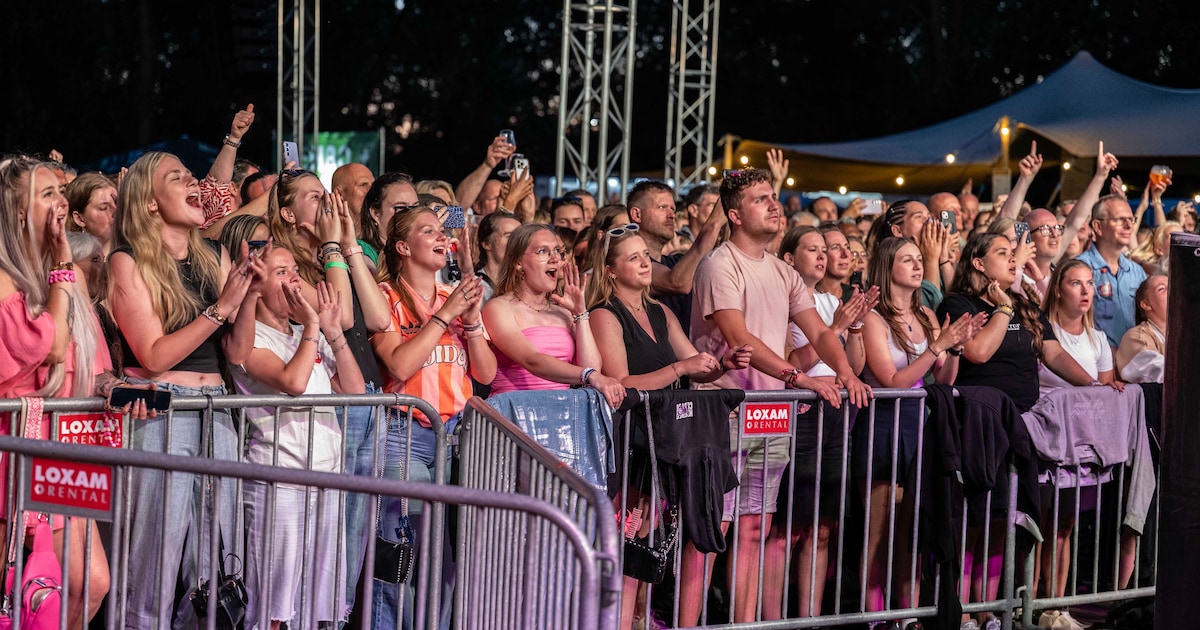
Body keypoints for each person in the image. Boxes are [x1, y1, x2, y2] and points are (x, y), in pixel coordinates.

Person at [689, 168, 871, 624]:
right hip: (725, 409)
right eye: (759, 199)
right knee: (714, 526)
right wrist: (800, 378)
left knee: (756, 524)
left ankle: (744, 622)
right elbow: (738, 337)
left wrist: (847, 373)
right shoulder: (719, 263)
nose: (774, 204)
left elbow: (820, 332)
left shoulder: (783, 271)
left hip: (771, 411)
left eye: (774, 196)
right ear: (734, 214)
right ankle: (686, 623)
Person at [108, 151, 257, 627]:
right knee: (156, 551)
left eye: (191, 174)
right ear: (150, 202)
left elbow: (236, 353)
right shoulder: (126, 262)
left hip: (217, 411)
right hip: (163, 412)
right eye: (178, 177)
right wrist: (219, 308)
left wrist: (247, 297)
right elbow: (153, 356)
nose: (194, 181)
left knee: (219, 558)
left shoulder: (214, 254)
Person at [585, 225, 751, 629]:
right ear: (610, 270)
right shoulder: (604, 314)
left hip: (664, 441)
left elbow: (697, 364)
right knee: (627, 551)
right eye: (634, 257)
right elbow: (621, 384)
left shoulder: (660, 310)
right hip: (630, 443)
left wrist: (721, 367)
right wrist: (680, 368)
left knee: (647, 548)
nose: (646, 262)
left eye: (647, 255)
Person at [0, 155, 113, 626]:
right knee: (14, 588)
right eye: (48, 193)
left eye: (60, 192)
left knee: (90, 583)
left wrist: (112, 388)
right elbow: (51, 343)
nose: (61, 202)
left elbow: (94, 359)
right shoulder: (6, 277)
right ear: (19, 211)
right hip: (14, 447)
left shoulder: (67, 276)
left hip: (64, 445)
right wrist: (65, 264)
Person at [225, 247, 364, 629]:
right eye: (282, 271)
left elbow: (353, 391)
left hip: (325, 475)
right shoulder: (249, 337)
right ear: (258, 283)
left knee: (312, 600)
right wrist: (313, 328)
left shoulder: (309, 334)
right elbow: (294, 382)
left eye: (295, 270)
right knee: (273, 600)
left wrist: (332, 332)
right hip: (280, 478)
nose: (295, 279)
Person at [370, 204, 496, 626]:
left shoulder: (453, 298)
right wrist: (445, 317)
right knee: (401, 550)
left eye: (444, 231)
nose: (443, 238)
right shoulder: (385, 296)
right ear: (403, 246)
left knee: (444, 557)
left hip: (456, 440)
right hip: (405, 436)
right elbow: (400, 366)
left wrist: (473, 322)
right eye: (430, 232)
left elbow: (486, 373)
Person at [855, 237, 981, 622]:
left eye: (917, 259)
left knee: (911, 533)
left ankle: (906, 615)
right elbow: (892, 379)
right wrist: (936, 346)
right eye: (907, 259)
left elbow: (941, 378)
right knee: (879, 534)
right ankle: (875, 616)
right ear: (888, 266)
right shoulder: (874, 318)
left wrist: (955, 347)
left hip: (919, 424)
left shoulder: (926, 314)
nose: (917, 265)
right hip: (883, 424)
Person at [762, 225, 874, 620]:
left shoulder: (829, 301)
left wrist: (855, 325)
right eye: (814, 249)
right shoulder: (782, 303)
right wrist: (839, 328)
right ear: (789, 259)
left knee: (823, 528)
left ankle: (810, 620)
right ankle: (772, 620)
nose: (824, 256)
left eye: (825, 249)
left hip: (837, 415)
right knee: (786, 529)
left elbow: (856, 368)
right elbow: (790, 364)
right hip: (801, 415)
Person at [1033, 259, 1124, 630]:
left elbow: (1103, 392)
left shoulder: (1098, 339)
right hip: (1047, 439)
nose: (1086, 291)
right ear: (1058, 289)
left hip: (1081, 446)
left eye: (1089, 283)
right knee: (1038, 525)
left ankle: (1058, 606)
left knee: (1065, 527)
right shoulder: (1044, 332)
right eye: (1076, 283)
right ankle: (1034, 602)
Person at [481, 224, 625, 407]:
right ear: (518, 262)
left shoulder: (563, 312)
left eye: (557, 251)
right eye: (543, 251)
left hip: (560, 415)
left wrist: (581, 314)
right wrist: (590, 375)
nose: (555, 259)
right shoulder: (498, 308)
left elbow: (592, 367)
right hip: (515, 416)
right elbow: (533, 360)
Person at [1076, 194, 1147, 349]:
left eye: (1131, 219)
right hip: (1098, 365)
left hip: (1134, 362)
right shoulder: (1079, 269)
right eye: (1120, 220)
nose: (1129, 225)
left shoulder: (1137, 272)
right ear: (1098, 226)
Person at [359, 172, 420, 270]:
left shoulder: (416, 248)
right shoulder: (363, 252)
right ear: (375, 213)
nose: (411, 214)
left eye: (415, 207)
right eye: (401, 208)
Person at [1116, 274, 1167, 383]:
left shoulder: (1190, 334)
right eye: (1162, 288)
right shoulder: (1135, 337)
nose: (1172, 290)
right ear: (1146, 304)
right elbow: (1160, 373)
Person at [65, 171, 118, 254]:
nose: (116, 211)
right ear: (79, 219)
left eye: (118, 203)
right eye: (103, 208)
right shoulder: (70, 258)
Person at [473, 210, 521, 302]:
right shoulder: (475, 286)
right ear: (487, 243)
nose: (517, 243)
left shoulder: (525, 285)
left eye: (520, 237)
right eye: (509, 236)